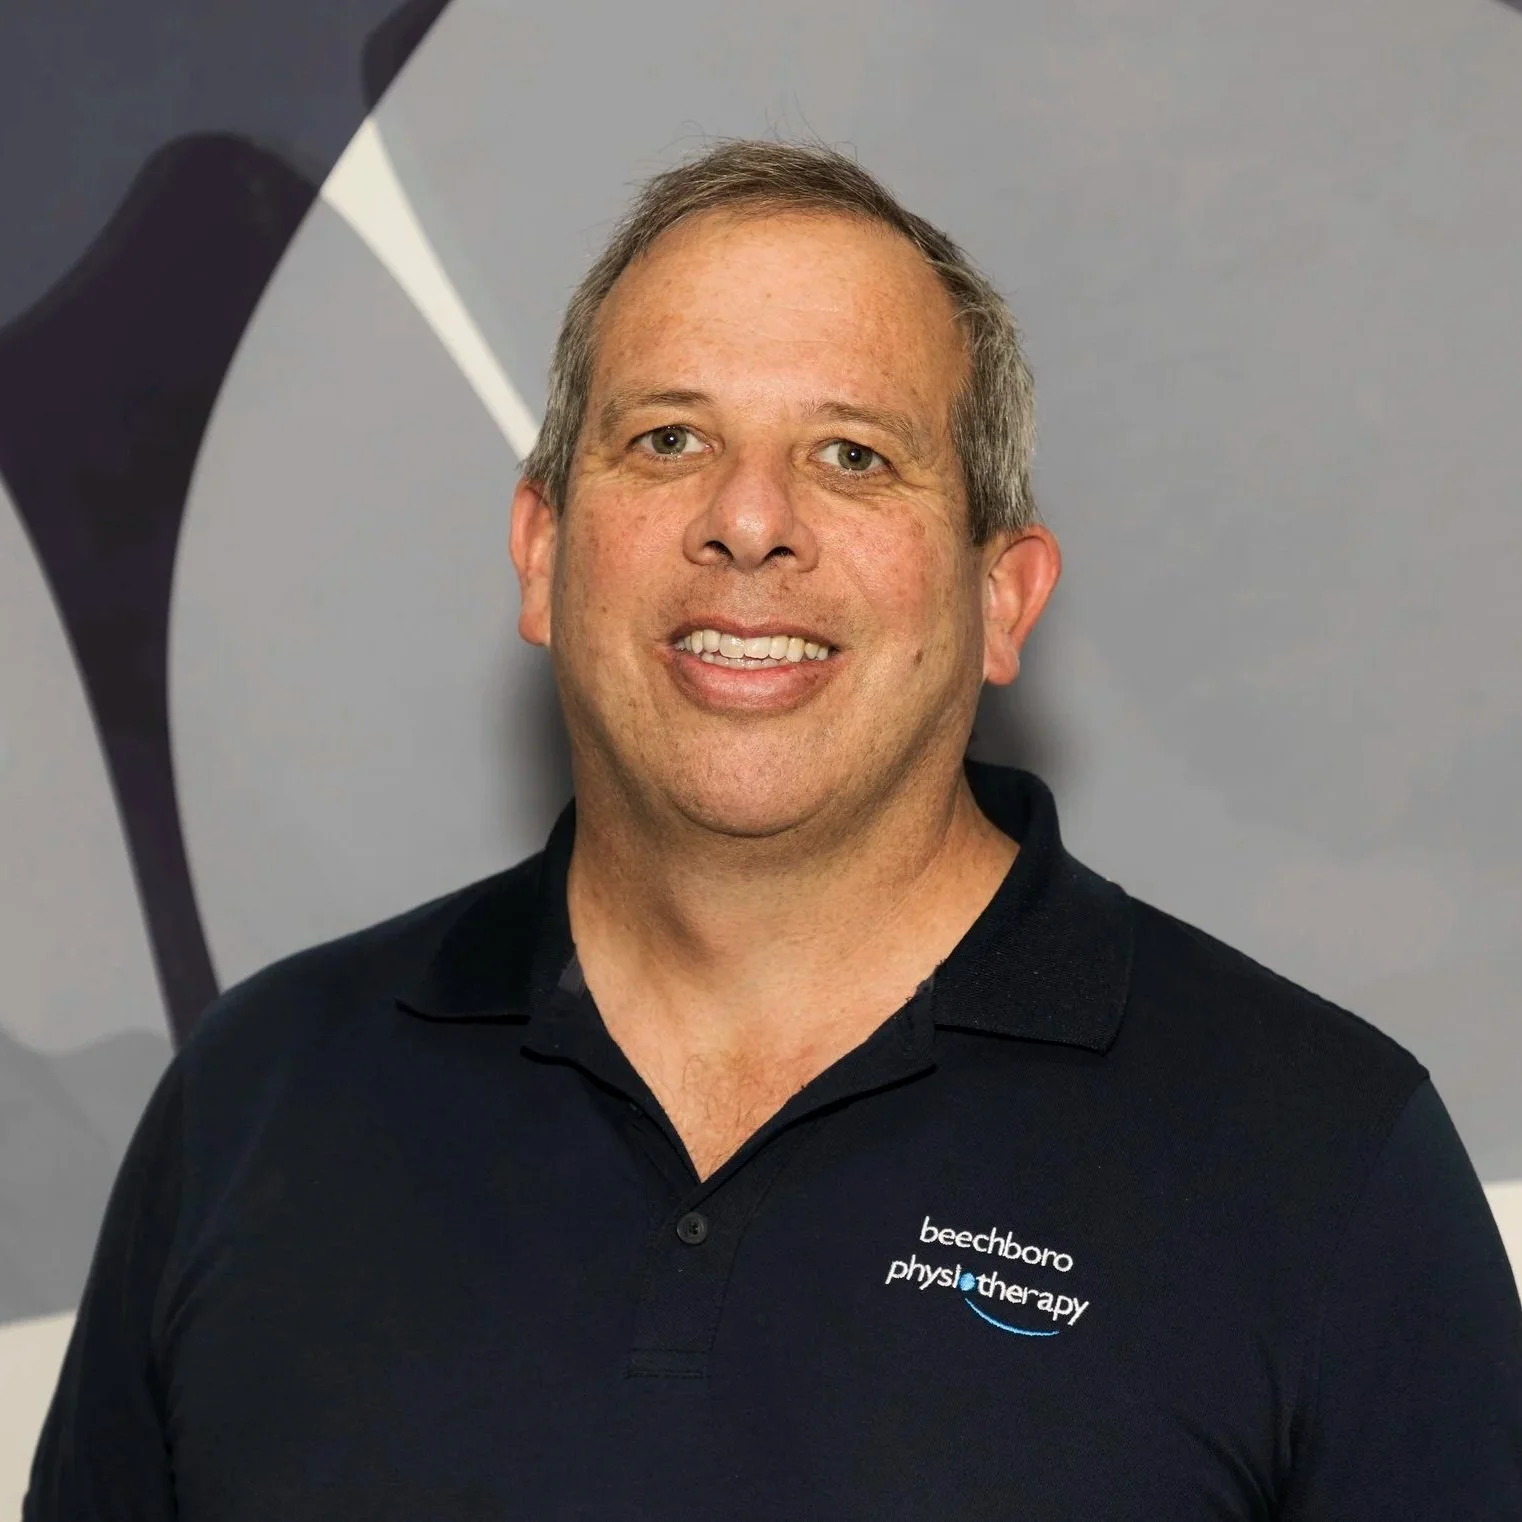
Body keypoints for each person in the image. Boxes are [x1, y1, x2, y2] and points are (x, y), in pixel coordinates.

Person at [26, 139, 1522, 1520]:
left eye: (853, 454)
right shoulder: (257, 1100)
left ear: (1001, 595)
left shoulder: (1321, 1157)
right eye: (669, 438)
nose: (749, 519)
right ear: (541, 555)